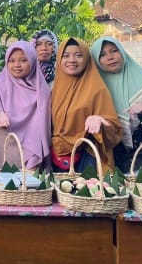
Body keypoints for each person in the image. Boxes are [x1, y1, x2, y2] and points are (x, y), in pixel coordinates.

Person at [91, 36, 142, 174]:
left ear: (122, 52)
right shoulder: (94, 88)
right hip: (108, 159)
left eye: (114, 51)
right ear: (96, 60)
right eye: (103, 54)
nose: (110, 57)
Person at [51, 37, 122, 173]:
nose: (71, 60)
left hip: (88, 159)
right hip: (56, 159)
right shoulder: (53, 90)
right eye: (66, 56)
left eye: (78, 55)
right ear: (59, 59)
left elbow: (115, 129)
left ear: (87, 59)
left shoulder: (97, 89)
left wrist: (100, 120)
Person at [0, 41, 51, 170]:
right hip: (4, 142)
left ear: (32, 61)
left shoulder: (41, 86)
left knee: (30, 186)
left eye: (23, 60)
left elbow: (45, 119)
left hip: (32, 145)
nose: (17, 65)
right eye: (11, 60)